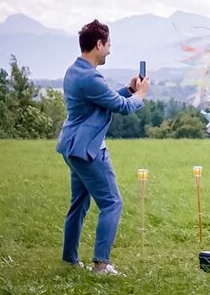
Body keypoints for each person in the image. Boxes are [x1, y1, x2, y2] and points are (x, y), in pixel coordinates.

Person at [55, 19, 150, 274]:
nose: (110, 50)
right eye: (108, 45)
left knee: (79, 205)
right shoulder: (90, 77)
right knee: (112, 203)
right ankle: (101, 265)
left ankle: (70, 260)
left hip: (72, 146)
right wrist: (140, 95)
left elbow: (103, 99)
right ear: (98, 44)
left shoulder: (76, 71)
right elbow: (121, 106)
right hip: (89, 150)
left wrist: (130, 89)